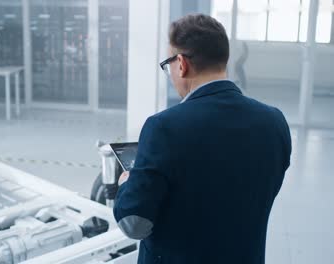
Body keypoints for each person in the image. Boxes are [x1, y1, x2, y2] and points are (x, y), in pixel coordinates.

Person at [113, 14, 291, 264]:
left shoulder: (163, 127)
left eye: (168, 65)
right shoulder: (274, 122)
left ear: (182, 64)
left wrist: (127, 184)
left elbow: (134, 224)